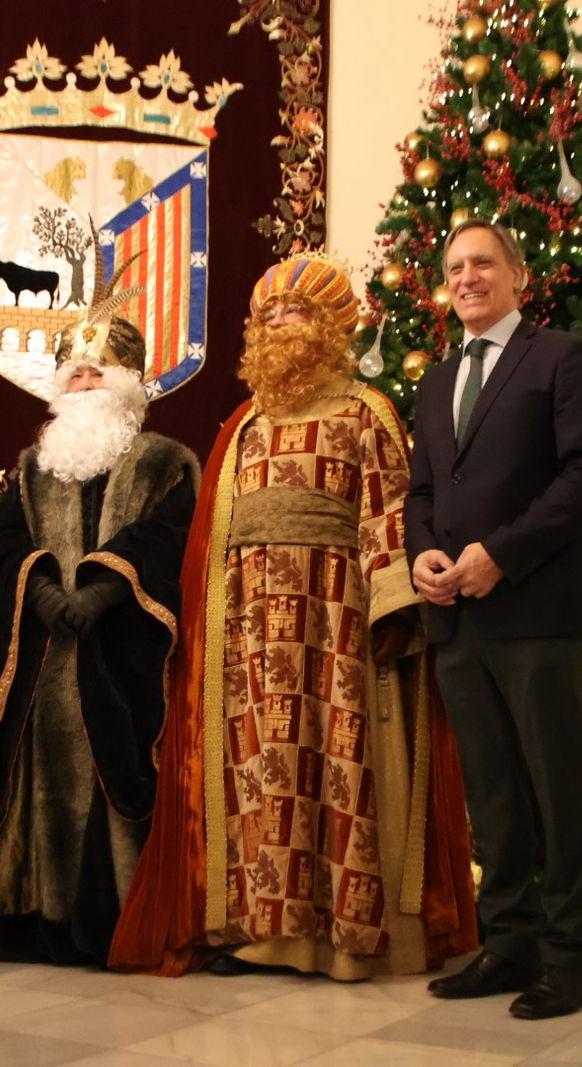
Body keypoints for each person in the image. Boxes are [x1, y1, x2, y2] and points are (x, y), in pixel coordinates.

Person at [110, 254, 478, 980]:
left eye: (298, 313)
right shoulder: (244, 423)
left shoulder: (364, 411)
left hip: (335, 623)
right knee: (260, 774)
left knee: (338, 771)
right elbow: (216, 538)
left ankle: (342, 937)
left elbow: (389, 513)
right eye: (270, 315)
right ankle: (260, 935)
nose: (281, 326)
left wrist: (390, 614)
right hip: (250, 631)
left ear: (333, 325)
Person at [0, 277, 198, 966]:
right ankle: (42, 914)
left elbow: (171, 537)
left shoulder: (164, 461)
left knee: (119, 769)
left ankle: (115, 914)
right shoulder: (33, 466)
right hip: (44, 658)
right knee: (39, 776)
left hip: (122, 649)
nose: (88, 383)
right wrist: (38, 592)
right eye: (77, 373)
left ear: (127, 384)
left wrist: (101, 591)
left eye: (101, 373)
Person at [405, 219, 582, 1018]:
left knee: (558, 788)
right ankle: (510, 942)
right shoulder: (434, 379)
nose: (467, 276)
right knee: (491, 793)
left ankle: (568, 959)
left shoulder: (560, 356)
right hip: (456, 616)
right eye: (455, 266)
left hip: (532, 609)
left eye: (482, 262)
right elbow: (424, 491)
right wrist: (424, 553)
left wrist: (503, 552)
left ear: (517, 276)